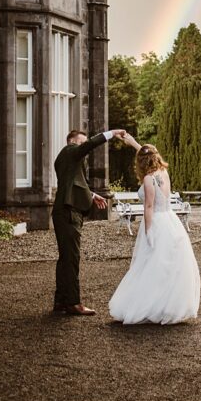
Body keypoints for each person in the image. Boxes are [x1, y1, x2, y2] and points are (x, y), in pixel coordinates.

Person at [109, 138, 201, 325]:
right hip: (171, 220)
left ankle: (149, 306)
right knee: (167, 266)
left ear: (141, 162)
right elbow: (148, 151)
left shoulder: (149, 179)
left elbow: (149, 207)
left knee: (150, 264)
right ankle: (166, 306)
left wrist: (148, 231)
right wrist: (134, 143)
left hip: (157, 221)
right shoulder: (163, 172)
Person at [52, 127, 125, 316]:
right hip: (68, 212)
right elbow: (90, 144)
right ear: (73, 142)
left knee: (66, 259)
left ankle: (61, 302)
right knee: (72, 258)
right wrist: (111, 134)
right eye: (82, 143)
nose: (85, 147)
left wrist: (92, 195)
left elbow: (72, 182)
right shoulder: (69, 151)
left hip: (66, 211)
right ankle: (74, 303)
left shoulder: (69, 160)